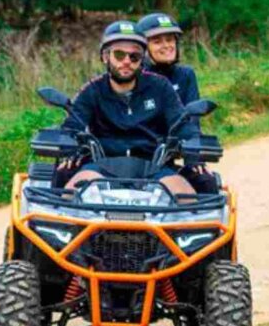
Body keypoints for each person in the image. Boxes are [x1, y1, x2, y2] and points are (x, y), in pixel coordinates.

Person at [61, 21, 197, 196]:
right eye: (119, 55)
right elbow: (72, 125)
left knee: (188, 198)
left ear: (142, 60)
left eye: (134, 56)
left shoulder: (161, 87)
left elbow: (182, 125)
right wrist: (67, 146)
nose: (127, 61)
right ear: (105, 56)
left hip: (154, 166)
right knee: (69, 196)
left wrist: (194, 148)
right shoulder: (92, 90)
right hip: (101, 166)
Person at [136, 12, 200, 107]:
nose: (166, 46)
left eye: (169, 40)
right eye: (157, 42)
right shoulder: (135, 79)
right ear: (143, 48)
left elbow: (193, 118)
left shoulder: (186, 75)